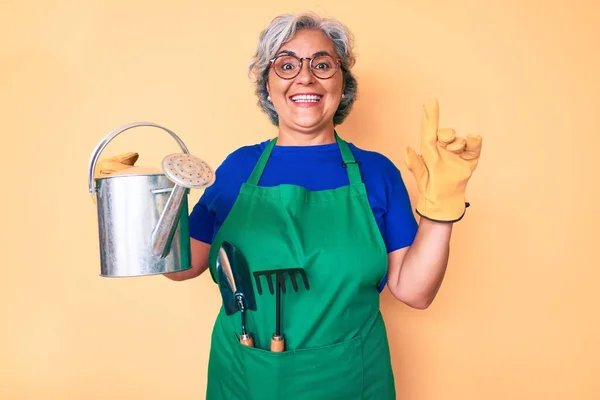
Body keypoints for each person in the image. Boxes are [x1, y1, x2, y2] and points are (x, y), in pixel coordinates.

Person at [103, 11, 482, 400]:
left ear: (342, 84)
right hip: (246, 382)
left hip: (352, 383)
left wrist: (441, 211)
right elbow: (182, 267)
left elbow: (415, 292)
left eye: (322, 64)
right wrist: (133, 196)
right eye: (286, 65)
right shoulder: (238, 169)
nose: (305, 77)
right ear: (268, 87)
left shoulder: (377, 172)